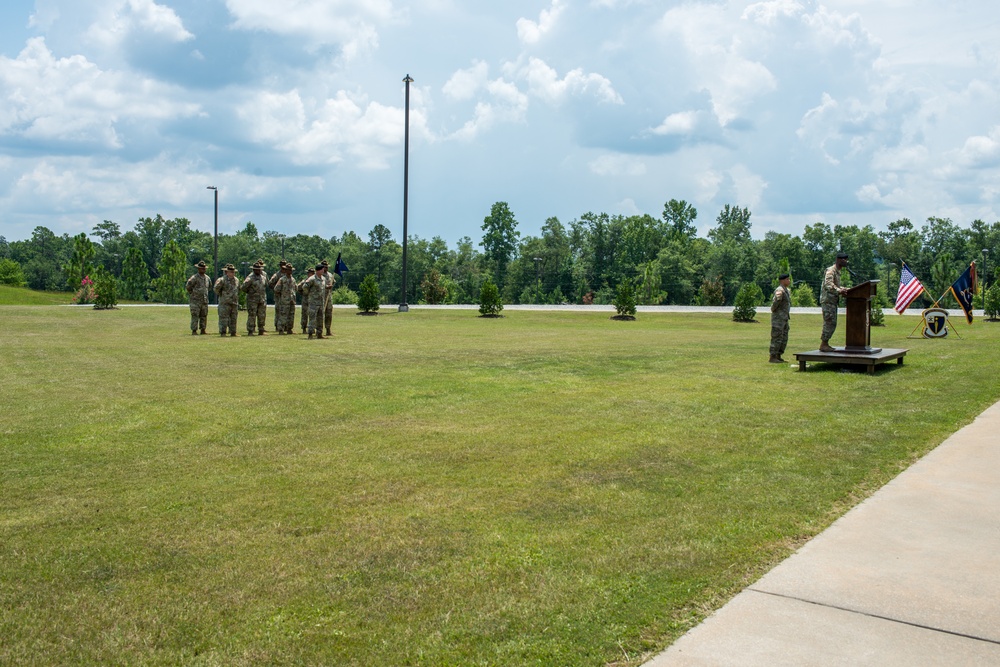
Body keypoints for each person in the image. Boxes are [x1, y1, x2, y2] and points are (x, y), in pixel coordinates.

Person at [820, 252, 850, 352]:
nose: (846, 261)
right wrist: (839, 291)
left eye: (846, 259)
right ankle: (824, 344)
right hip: (828, 301)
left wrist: (844, 289)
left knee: (832, 323)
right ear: (838, 260)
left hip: (832, 301)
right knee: (829, 322)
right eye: (844, 259)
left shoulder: (837, 272)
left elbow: (835, 286)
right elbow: (828, 285)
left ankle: (825, 343)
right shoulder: (830, 271)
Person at [240, 260, 268, 335]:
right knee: (252, 315)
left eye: (260, 269)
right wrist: (251, 293)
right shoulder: (250, 278)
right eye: (257, 269)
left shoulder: (263, 277)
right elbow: (243, 287)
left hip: (262, 299)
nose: (259, 270)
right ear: (254, 269)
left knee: (262, 315)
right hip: (252, 300)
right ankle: (251, 330)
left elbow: (265, 285)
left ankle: (261, 330)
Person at [769, 273, 791, 363]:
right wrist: (774, 310)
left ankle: (779, 355)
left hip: (785, 318)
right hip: (778, 318)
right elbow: (776, 303)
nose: (789, 281)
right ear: (782, 281)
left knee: (783, 337)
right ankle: (773, 356)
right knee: (777, 337)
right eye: (787, 279)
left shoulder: (787, 290)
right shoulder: (780, 290)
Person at [303, 264, 329, 339]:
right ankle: (310, 334)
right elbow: (305, 286)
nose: (323, 271)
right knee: (312, 319)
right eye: (322, 269)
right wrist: (309, 294)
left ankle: (319, 334)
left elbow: (322, 287)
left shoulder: (323, 279)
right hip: (313, 302)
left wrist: (327, 287)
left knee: (320, 319)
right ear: (318, 270)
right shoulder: (312, 279)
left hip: (321, 302)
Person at [185, 260, 211, 335]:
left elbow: (209, 287)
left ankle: (203, 330)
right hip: (195, 301)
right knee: (195, 316)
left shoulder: (207, 278)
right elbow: (188, 286)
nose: (203, 269)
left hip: (204, 301)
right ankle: (194, 330)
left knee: (204, 316)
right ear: (198, 269)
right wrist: (192, 294)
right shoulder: (194, 278)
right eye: (202, 268)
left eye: (204, 268)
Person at [214, 264, 239, 336]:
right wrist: (223, 295)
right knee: (223, 318)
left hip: (234, 303)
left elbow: (238, 289)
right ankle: (223, 332)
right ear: (226, 272)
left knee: (233, 318)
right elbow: (216, 289)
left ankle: (233, 332)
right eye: (230, 272)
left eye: (233, 272)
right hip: (224, 303)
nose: (232, 273)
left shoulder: (236, 280)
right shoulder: (222, 280)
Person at [273, 263, 297, 334]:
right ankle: (281, 329)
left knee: (291, 315)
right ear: (286, 271)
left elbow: (296, 288)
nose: (290, 271)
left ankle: (289, 329)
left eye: (291, 270)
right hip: (284, 301)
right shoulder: (282, 279)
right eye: (288, 270)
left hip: (292, 301)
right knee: (283, 315)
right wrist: (282, 296)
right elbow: (276, 289)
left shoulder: (293, 279)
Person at [297, 267, 315, 334]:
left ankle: (312, 329)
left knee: (313, 314)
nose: (312, 274)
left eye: (313, 273)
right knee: (304, 314)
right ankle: (304, 328)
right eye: (310, 273)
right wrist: (303, 293)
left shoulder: (315, 280)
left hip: (313, 300)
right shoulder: (305, 281)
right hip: (305, 300)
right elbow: (298, 287)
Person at [320, 259, 335, 337]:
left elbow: (333, 281)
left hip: (328, 297)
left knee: (329, 314)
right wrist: (326, 287)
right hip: (321, 297)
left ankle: (328, 329)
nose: (326, 268)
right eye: (324, 267)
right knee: (320, 314)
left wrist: (331, 285)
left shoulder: (330, 275)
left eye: (327, 267)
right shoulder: (319, 275)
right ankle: (319, 331)